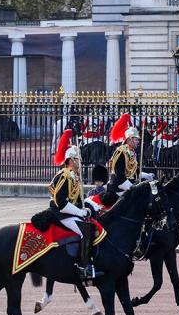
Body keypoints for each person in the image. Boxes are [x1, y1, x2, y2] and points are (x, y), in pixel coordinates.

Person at [48, 129, 96, 281]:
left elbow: (76, 200)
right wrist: (79, 213)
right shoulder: (65, 175)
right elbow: (61, 202)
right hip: (61, 214)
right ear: (70, 160)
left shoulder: (74, 176)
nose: (80, 162)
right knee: (85, 232)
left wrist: (86, 208)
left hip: (69, 212)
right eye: (77, 159)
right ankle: (84, 266)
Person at [101, 113, 154, 207]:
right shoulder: (121, 151)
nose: (138, 142)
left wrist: (147, 175)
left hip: (127, 183)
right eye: (136, 140)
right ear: (129, 139)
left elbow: (133, 171)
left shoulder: (132, 152)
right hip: (118, 186)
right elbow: (119, 174)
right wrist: (132, 188)